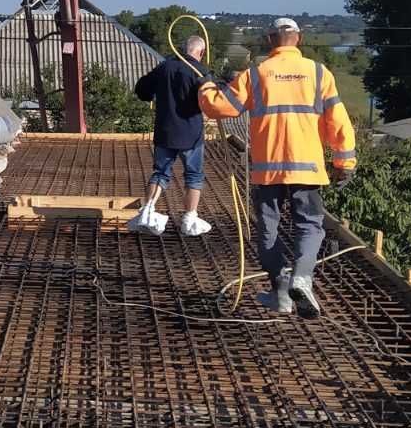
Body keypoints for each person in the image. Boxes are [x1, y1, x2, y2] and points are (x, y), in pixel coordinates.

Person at [197, 17, 356, 317]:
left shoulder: (256, 74)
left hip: (268, 171)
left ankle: (281, 291)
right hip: (306, 169)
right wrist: (344, 162)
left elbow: (219, 107)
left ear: (270, 40)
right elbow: (339, 122)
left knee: (268, 232)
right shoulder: (319, 73)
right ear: (299, 38)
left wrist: (205, 84)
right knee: (310, 226)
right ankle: (301, 278)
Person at [127, 34, 213, 237]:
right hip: (191, 134)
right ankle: (189, 219)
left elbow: (142, 90)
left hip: (166, 131)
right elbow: (214, 99)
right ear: (200, 52)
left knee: (160, 172)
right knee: (194, 175)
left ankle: (148, 212)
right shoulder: (199, 71)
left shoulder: (164, 67)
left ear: (183, 50)